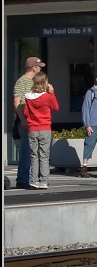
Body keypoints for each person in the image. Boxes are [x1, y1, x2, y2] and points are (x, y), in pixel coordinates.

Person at [23, 71, 59, 190]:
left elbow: (26, 113)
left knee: (34, 155)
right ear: (45, 83)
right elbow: (56, 108)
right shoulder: (47, 96)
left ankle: (34, 180)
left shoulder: (28, 97)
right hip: (44, 128)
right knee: (44, 155)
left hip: (32, 128)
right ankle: (43, 181)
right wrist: (52, 93)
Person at [11, 56, 43, 189]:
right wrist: (23, 120)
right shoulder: (22, 82)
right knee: (27, 151)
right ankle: (23, 179)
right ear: (33, 67)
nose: (40, 68)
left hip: (35, 120)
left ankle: (31, 178)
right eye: (39, 66)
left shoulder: (35, 82)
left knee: (33, 151)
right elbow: (17, 102)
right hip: (25, 119)